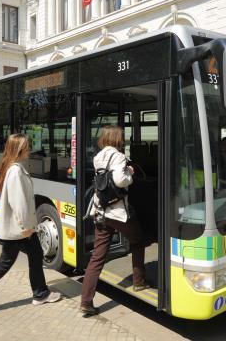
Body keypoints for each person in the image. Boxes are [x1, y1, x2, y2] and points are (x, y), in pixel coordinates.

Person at [0, 133, 61, 317]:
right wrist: (28, 227)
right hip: (19, 230)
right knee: (4, 264)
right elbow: (19, 204)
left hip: (18, 229)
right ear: (20, 150)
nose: (30, 149)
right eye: (27, 146)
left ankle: (40, 294)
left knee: (36, 254)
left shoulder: (14, 168)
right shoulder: (15, 172)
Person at [80, 125, 148, 316]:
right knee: (138, 241)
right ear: (117, 138)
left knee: (97, 257)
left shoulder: (98, 156)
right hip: (117, 212)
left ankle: (86, 301)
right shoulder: (118, 156)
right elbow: (120, 180)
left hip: (101, 211)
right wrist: (131, 172)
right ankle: (139, 281)